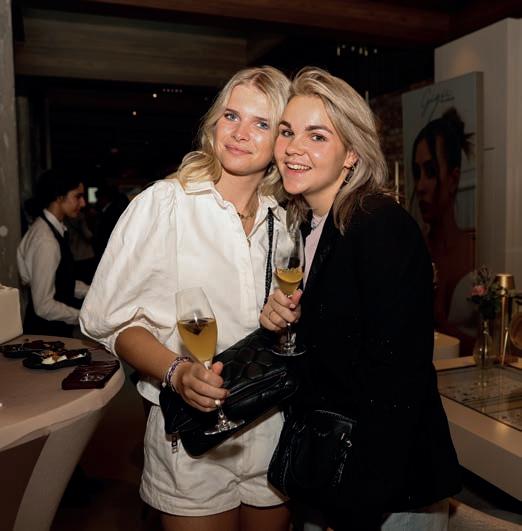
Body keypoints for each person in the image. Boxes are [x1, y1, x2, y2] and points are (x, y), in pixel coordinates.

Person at [80, 66, 293, 531]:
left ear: (281, 140)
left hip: (271, 423)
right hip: (193, 441)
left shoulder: (286, 222)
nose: (239, 132)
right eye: (231, 115)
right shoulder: (164, 205)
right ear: (214, 123)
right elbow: (110, 321)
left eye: (261, 123)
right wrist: (177, 372)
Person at [261, 67, 461, 530]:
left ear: (351, 153)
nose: (293, 148)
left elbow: (398, 383)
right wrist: (281, 324)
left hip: (385, 491)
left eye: (317, 136)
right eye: (287, 132)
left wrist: (356, 508)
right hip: (335, 473)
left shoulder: (380, 225)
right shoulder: (308, 225)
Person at [411, 108, 476, 354]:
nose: (420, 186)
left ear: (453, 178)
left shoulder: (475, 248)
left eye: (430, 171)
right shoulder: (415, 251)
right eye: (417, 173)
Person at [17, 168, 89, 337]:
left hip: (52, 331)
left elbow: (62, 282)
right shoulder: (46, 240)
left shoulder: (51, 229)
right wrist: (83, 317)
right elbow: (44, 306)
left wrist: (95, 291)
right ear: (59, 197)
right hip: (45, 333)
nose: (83, 203)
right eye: (78, 196)